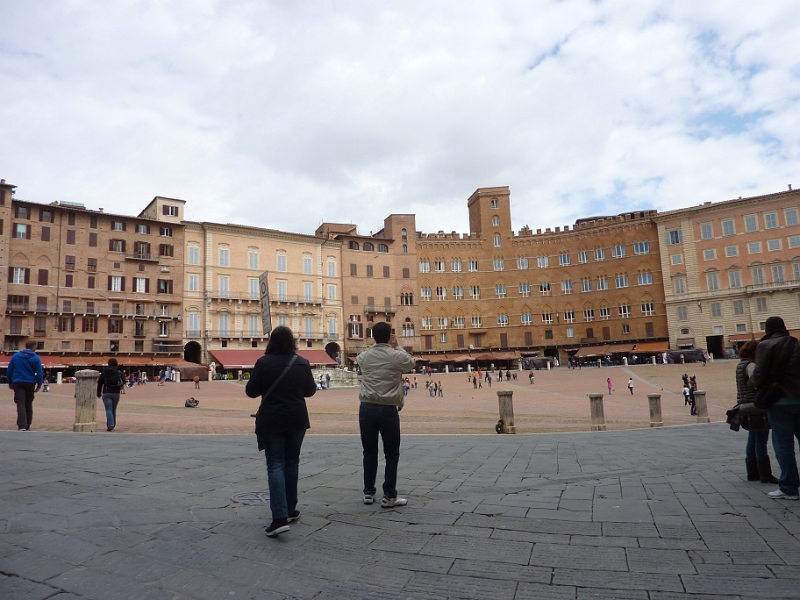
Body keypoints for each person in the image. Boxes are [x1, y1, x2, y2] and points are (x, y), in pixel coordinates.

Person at [246, 326, 317, 536]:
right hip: (297, 418)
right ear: (292, 341)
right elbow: (310, 391)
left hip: (272, 419)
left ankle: (279, 517)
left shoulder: (263, 363)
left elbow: (251, 391)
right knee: (292, 462)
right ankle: (291, 508)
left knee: (275, 465)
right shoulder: (302, 362)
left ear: (272, 342)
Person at [355, 322, 416, 508]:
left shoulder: (364, 356)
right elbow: (411, 363)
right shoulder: (395, 355)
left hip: (366, 408)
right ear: (390, 335)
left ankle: (368, 491)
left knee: (369, 452)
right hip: (388, 408)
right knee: (391, 453)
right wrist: (396, 345)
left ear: (372, 335)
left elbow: (359, 358)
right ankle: (389, 495)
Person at [749, 316, 800, 500]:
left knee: (783, 445)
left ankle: (789, 488)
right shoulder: (796, 343)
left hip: (779, 402)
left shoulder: (766, 345)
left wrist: (752, 381)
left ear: (768, 330)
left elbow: (759, 374)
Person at [735, 340, 778, 484]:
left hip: (745, 405)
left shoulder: (741, 364)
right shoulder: (750, 365)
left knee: (752, 438)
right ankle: (765, 473)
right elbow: (757, 381)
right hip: (756, 406)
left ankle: (752, 472)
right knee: (761, 439)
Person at [7, 340, 43, 431]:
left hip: (18, 382)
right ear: (34, 346)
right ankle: (28, 424)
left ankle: (22, 425)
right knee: (28, 403)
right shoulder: (36, 358)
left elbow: (9, 370)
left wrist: (10, 382)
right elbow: (39, 373)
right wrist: (39, 384)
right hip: (30, 382)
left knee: (20, 403)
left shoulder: (16, 356)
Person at [97, 358, 124, 432]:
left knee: (108, 409)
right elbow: (123, 381)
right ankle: (113, 424)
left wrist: (98, 393)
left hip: (106, 392)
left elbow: (100, 383)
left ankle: (110, 425)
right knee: (113, 409)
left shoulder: (104, 372)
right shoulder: (119, 372)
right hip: (116, 393)